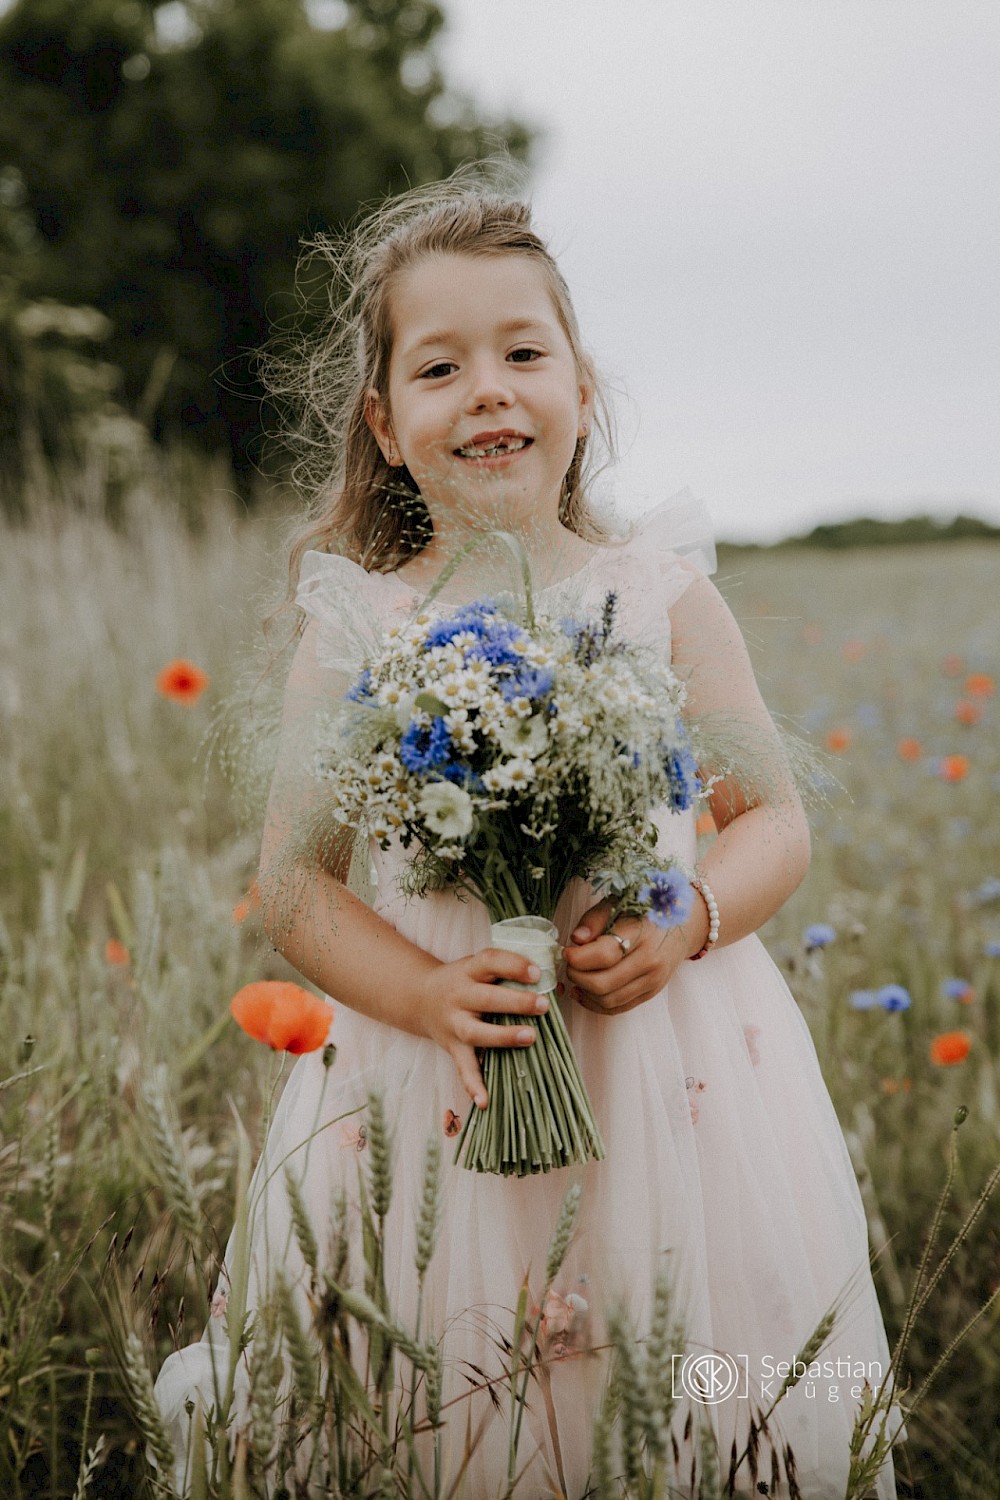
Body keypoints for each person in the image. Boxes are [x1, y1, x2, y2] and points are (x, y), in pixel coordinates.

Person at [154, 171, 906, 1498]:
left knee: (677, 1382)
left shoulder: (662, 599)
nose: (489, 389)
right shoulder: (358, 632)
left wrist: (692, 915)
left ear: (581, 388)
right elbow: (297, 884)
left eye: (522, 352)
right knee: (442, 1390)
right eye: (440, 368)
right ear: (386, 425)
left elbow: (771, 821)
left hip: (668, 1070)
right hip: (428, 1080)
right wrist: (429, 988)